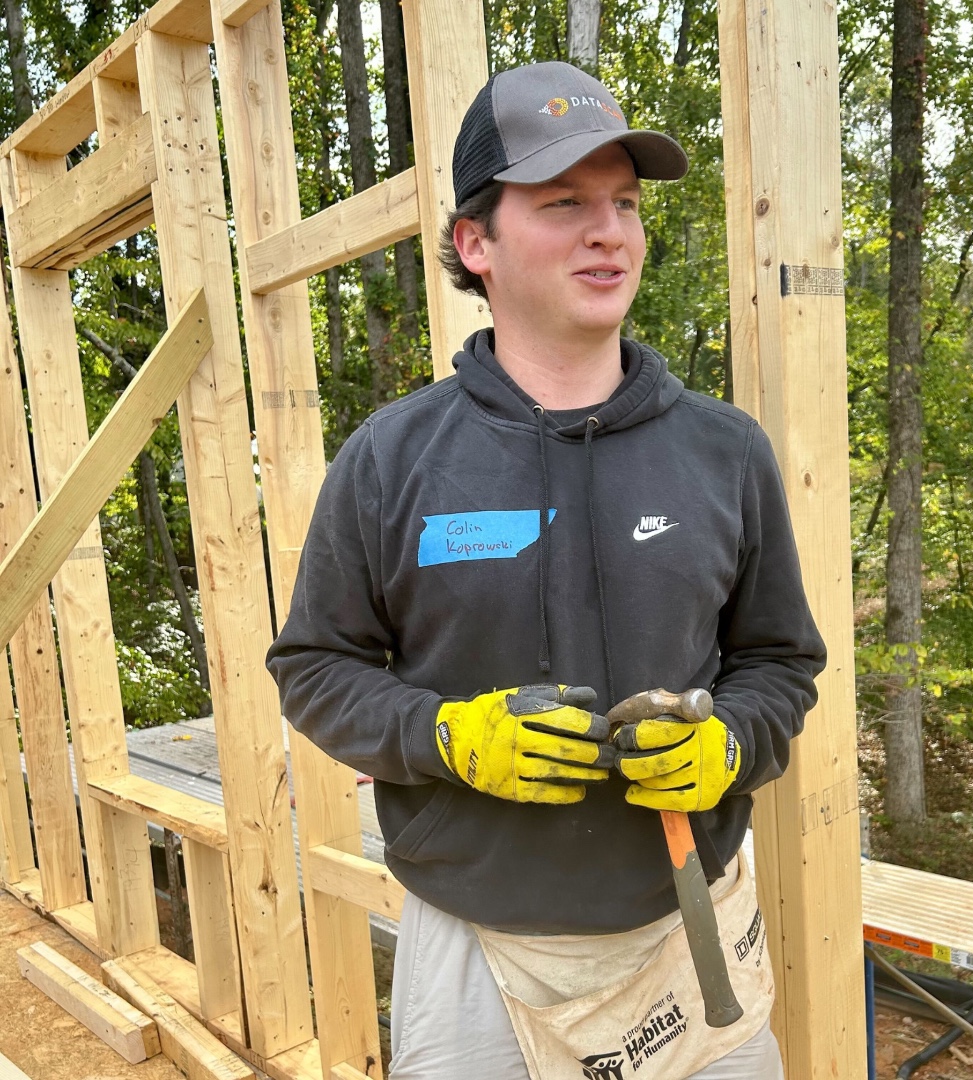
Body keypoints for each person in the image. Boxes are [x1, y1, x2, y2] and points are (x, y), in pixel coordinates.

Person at [267, 60, 825, 1080]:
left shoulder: (724, 452)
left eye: (624, 203)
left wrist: (732, 743)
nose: (608, 230)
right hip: (476, 945)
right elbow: (314, 668)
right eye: (564, 203)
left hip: (690, 927)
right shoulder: (393, 458)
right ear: (475, 243)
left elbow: (781, 664)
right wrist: (445, 736)